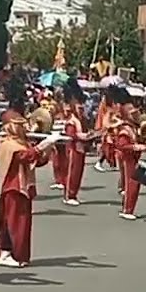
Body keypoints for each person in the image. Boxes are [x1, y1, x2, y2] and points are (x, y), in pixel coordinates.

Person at [0, 71, 63, 267]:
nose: (24, 128)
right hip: (12, 186)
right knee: (14, 221)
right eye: (20, 125)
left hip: (23, 186)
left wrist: (47, 148)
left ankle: (16, 254)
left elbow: (35, 161)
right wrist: (43, 145)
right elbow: (25, 157)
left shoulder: (21, 142)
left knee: (22, 222)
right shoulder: (8, 143)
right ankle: (8, 253)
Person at [112, 87, 146, 220]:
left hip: (134, 156)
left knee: (134, 183)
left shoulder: (133, 127)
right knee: (131, 182)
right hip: (128, 157)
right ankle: (127, 209)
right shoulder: (125, 128)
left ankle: (129, 208)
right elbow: (121, 145)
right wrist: (135, 146)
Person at [60, 75, 93, 206]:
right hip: (73, 147)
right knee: (72, 170)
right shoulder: (72, 120)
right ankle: (68, 195)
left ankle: (74, 193)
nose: (82, 109)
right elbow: (71, 135)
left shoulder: (81, 118)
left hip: (81, 146)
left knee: (78, 171)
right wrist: (82, 136)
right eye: (80, 108)